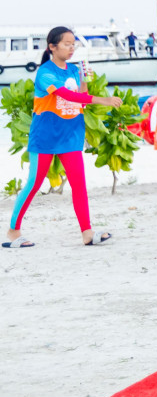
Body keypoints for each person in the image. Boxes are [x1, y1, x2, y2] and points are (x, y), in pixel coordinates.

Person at [4, 27, 121, 248]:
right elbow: (64, 94)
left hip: (71, 135)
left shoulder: (74, 69)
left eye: (73, 44)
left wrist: (85, 80)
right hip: (46, 136)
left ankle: (87, 232)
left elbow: (80, 99)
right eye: (67, 44)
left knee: (79, 185)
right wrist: (103, 100)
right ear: (52, 47)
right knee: (34, 184)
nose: (71, 48)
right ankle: (13, 231)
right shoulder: (45, 73)